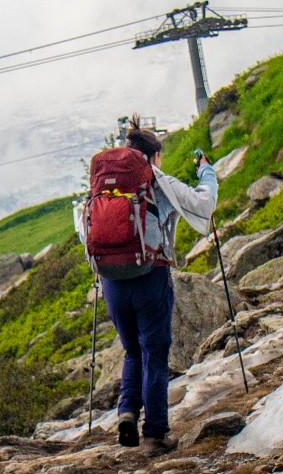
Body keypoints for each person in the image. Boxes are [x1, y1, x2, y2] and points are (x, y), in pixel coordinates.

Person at [73, 124, 218, 454]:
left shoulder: (101, 189)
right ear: (154, 156)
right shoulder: (155, 181)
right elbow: (203, 204)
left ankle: (127, 413)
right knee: (155, 353)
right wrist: (207, 172)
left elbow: (85, 231)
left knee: (132, 350)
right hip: (151, 276)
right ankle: (155, 434)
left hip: (111, 282)